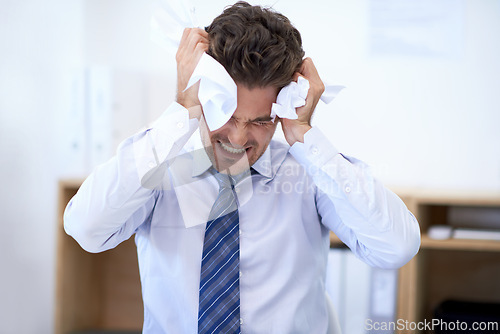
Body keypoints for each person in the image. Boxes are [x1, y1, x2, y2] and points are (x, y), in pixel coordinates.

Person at [64, 2, 421, 333]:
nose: (238, 137)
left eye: (260, 121)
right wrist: (181, 113)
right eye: (225, 114)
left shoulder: (306, 174)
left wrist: (303, 135)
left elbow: (396, 247)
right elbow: (87, 228)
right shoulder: (159, 166)